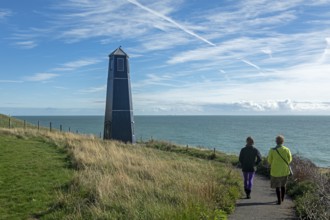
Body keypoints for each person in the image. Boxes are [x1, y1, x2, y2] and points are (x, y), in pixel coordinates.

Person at [267, 135, 292, 205]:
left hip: (275, 171)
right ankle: (282, 199)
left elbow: (269, 160)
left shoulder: (272, 150)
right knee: (283, 185)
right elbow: (290, 159)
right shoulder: (287, 149)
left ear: (276, 141)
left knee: (277, 186)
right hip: (284, 170)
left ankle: (279, 201)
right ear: (283, 141)